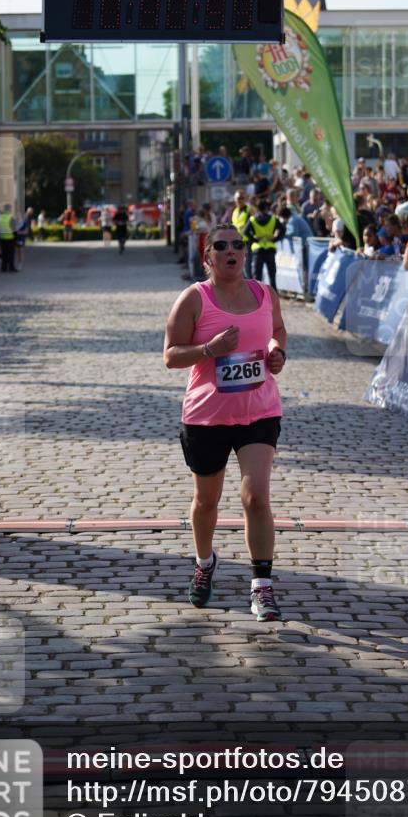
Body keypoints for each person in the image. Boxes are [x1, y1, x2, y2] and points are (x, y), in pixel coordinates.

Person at [163, 223, 287, 622]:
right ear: (208, 257)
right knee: (207, 501)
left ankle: (262, 587)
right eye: (221, 245)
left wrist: (276, 351)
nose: (231, 249)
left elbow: (278, 331)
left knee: (256, 498)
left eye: (238, 244)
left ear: (245, 253)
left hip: (259, 411)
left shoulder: (264, 294)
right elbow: (171, 355)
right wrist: (208, 349)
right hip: (207, 415)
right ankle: (204, 562)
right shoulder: (194, 299)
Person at [243, 197, 284, 291]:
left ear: (257, 208)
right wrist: (275, 239)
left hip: (258, 248)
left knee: (257, 276)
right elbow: (283, 229)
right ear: (267, 208)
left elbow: (245, 232)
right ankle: (274, 297)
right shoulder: (273, 219)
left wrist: (254, 240)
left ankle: (257, 297)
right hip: (270, 248)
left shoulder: (253, 219)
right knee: (272, 275)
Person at [0, 204, 18, 272]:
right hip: (10, 238)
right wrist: (16, 238)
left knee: (4, 254)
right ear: (9, 209)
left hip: (2, 237)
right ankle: (11, 267)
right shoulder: (10, 217)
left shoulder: (0, 217)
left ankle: (4, 267)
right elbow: (14, 229)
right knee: (11, 254)